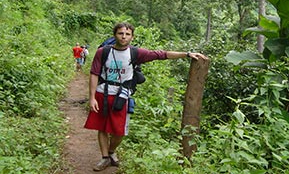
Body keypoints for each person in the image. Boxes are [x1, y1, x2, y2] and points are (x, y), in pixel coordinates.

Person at [84, 22, 207, 171]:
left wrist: (187, 54)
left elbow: (162, 54)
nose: (123, 37)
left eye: (127, 34)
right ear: (114, 35)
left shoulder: (136, 53)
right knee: (102, 127)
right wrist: (92, 98)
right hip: (103, 93)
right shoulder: (103, 52)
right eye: (120, 33)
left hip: (122, 96)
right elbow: (94, 74)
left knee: (119, 130)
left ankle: (111, 151)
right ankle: (104, 158)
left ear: (132, 37)